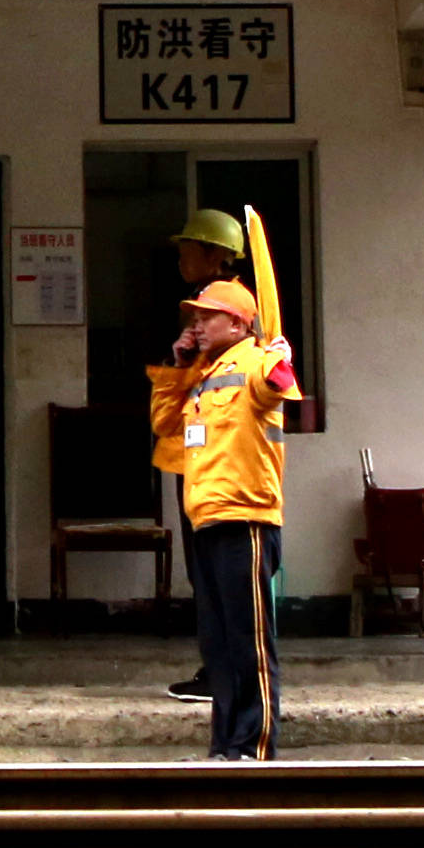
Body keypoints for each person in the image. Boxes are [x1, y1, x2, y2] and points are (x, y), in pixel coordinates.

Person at [149, 209, 292, 702]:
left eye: (190, 247)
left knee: (229, 589)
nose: (182, 257)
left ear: (215, 253)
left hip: (229, 475)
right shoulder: (201, 313)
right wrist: (181, 359)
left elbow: (269, 381)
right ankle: (218, 675)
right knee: (205, 578)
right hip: (197, 463)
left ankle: (227, 682)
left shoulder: (229, 311)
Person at [169, 277, 290, 758]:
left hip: (246, 518)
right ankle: (225, 746)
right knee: (217, 644)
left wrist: (280, 359)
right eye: (194, 316)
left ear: (238, 323)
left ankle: (254, 746)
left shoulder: (258, 360)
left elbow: (279, 386)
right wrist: (182, 368)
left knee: (249, 642)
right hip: (207, 519)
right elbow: (169, 428)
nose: (196, 323)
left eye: (206, 315)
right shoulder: (204, 374)